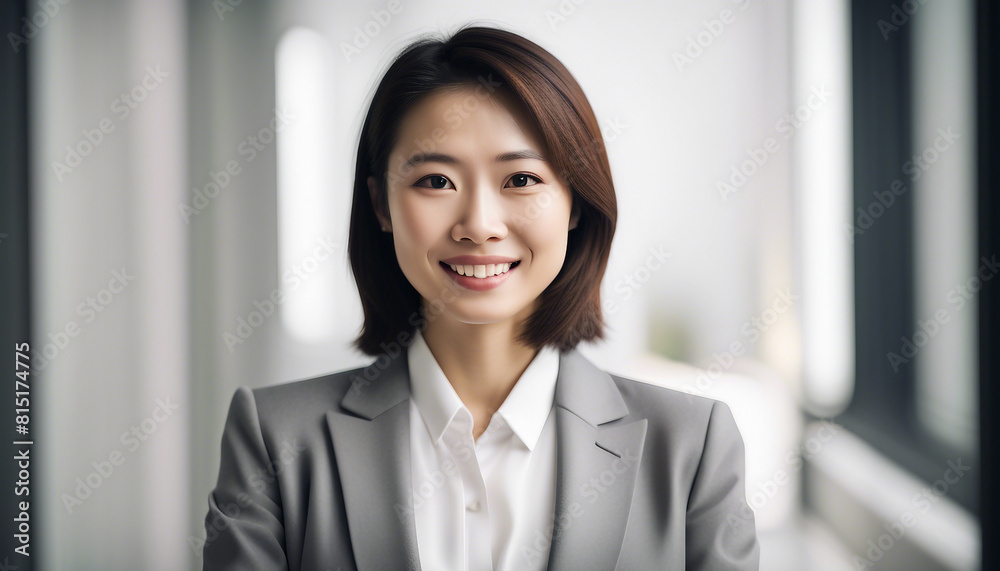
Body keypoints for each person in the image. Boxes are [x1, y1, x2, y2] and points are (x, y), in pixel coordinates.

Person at [202, 24, 760, 571]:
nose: (478, 225)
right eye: (436, 182)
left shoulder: (690, 445)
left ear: (576, 204)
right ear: (380, 206)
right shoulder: (275, 437)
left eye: (520, 180)